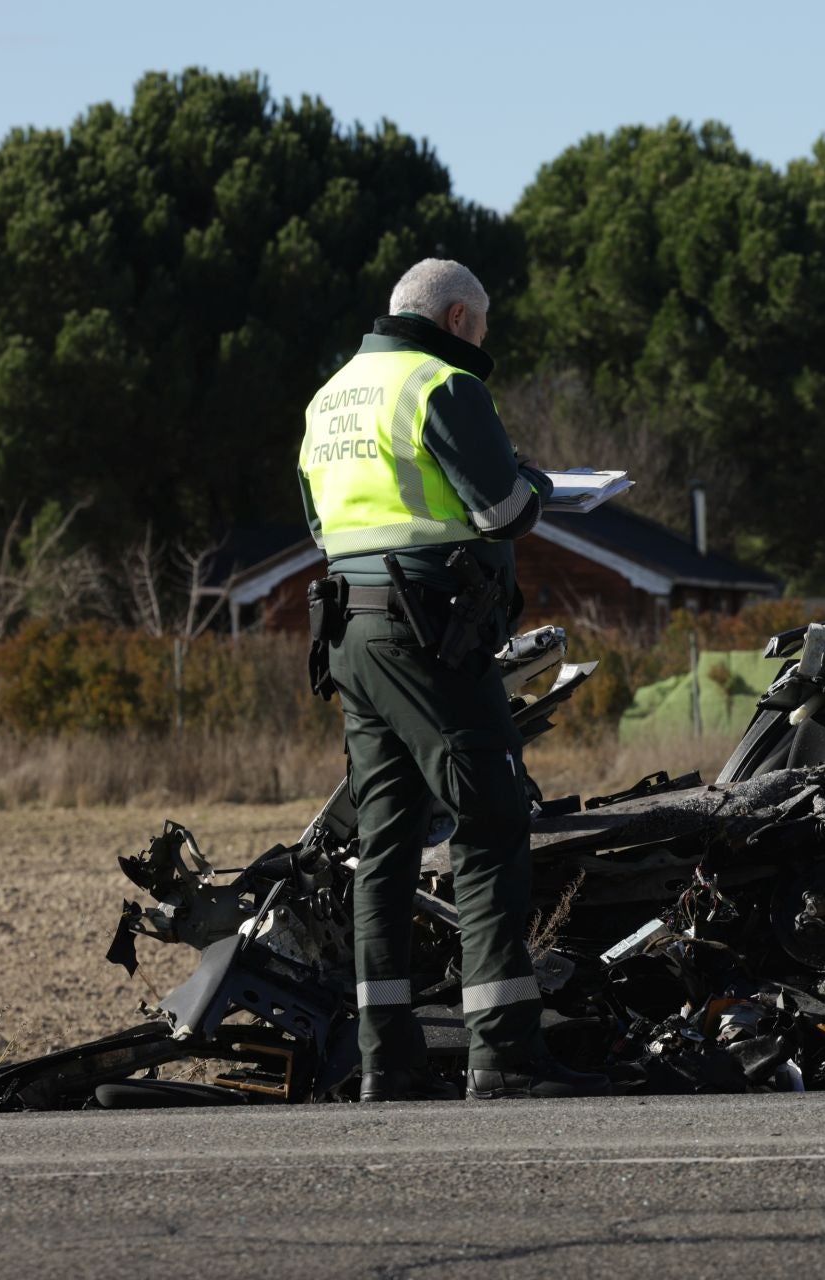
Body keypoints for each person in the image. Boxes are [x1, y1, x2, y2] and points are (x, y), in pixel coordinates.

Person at [297, 258, 607, 1101]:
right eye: (484, 327)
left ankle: (383, 1063)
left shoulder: (331, 398)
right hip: (429, 635)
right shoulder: (441, 385)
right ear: (460, 317)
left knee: (386, 845)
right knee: (492, 813)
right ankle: (504, 1054)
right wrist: (538, 481)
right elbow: (501, 511)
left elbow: (323, 522)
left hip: (350, 634)